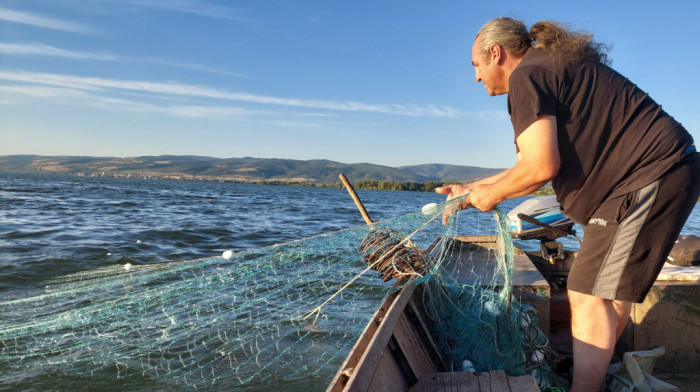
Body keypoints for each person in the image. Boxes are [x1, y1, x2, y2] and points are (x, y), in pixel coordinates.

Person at [435, 17, 700, 392]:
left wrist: (490, 196)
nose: (477, 77)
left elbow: (540, 167)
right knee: (608, 289)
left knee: (585, 290)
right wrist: (471, 188)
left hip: (650, 174)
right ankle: (592, 374)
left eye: (476, 66)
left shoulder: (527, 77)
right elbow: (527, 166)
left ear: (496, 53)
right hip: (664, 170)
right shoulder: (548, 66)